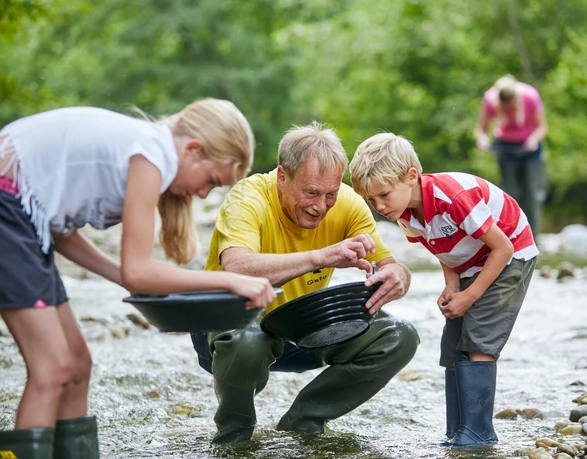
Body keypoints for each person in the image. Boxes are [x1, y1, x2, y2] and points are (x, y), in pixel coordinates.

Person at [0, 98, 278, 459]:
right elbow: (140, 270)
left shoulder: (147, 150)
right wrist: (227, 281)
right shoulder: (150, 155)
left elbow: (62, 234)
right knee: (53, 367)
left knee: (77, 365)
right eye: (210, 181)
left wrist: (123, 277)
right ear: (193, 149)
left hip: (21, 213)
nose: (202, 194)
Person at [190, 123, 420, 444]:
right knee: (247, 340)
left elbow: (390, 265)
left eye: (331, 194)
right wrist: (321, 257)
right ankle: (234, 436)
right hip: (227, 329)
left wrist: (398, 277)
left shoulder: (348, 203)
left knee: (399, 335)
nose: (321, 206)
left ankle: (302, 424)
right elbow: (237, 267)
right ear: (282, 176)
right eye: (311, 192)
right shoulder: (248, 196)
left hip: (300, 327)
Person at [349, 133, 539, 447]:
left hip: (510, 253)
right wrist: (452, 285)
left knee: (479, 336)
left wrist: (471, 294)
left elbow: (502, 248)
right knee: (453, 341)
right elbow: (442, 248)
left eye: (384, 195)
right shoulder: (406, 215)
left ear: (411, 177)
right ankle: (457, 428)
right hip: (471, 259)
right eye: (371, 200)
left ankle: (478, 432)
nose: (379, 206)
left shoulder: (453, 198)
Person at [474, 74, 548, 237]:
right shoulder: (490, 98)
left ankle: (533, 236)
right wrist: (483, 140)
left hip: (529, 148)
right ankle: (512, 236)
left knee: (532, 193)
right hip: (505, 148)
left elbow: (542, 127)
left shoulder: (529, 96)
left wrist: (533, 139)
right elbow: (480, 130)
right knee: (509, 194)